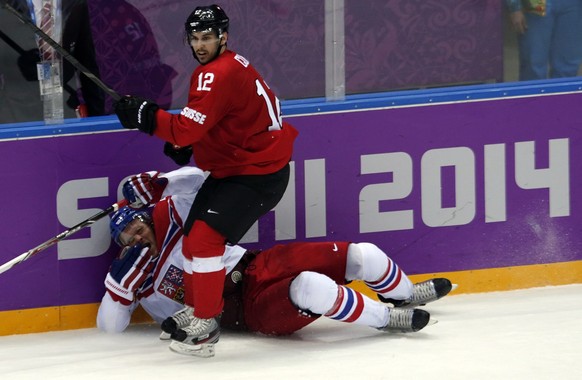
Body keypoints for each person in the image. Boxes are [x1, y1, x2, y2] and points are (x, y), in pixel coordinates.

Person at [97, 168, 454, 358]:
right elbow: (109, 330)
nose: (138, 237)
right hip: (244, 309)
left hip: (258, 264)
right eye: (129, 238)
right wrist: (118, 289)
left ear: (145, 217)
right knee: (310, 287)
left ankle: (404, 295)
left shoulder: (172, 214)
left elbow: (202, 180)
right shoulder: (133, 277)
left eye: (137, 228)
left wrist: (161, 183)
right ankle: (386, 318)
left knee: (365, 255)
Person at [112, 5, 299, 355]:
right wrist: (189, 139)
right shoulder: (232, 64)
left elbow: (187, 128)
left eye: (207, 38)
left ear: (223, 37)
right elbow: (220, 121)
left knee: (204, 241)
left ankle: (206, 326)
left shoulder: (215, 73)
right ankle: (198, 311)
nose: (200, 45)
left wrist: (147, 116)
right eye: (195, 38)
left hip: (256, 174)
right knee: (192, 239)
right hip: (241, 167)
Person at [505, 0, 582, 80]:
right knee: (533, 65)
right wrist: (514, 7)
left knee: (568, 67)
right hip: (534, 4)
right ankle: (533, 92)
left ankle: (563, 92)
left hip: (574, 5)